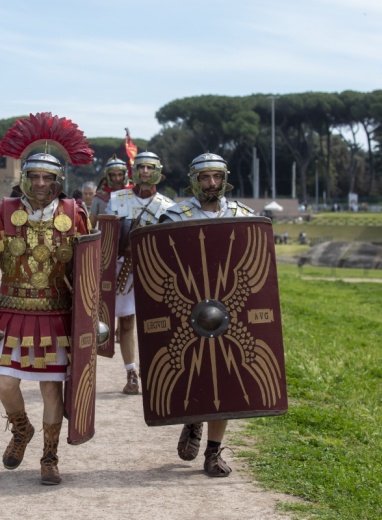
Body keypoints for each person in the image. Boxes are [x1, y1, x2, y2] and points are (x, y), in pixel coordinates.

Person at [0, 112, 94, 486]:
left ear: (58, 180)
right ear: (24, 176)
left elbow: (88, 270)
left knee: (51, 388)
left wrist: (93, 317)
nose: (41, 184)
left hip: (56, 313)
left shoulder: (76, 214)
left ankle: (50, 457)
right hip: (11, 312)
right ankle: (22, 430)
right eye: (34, 176)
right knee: (6, 383)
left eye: (48, 177)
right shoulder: (2, 214)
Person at [159, 152, 255, 478]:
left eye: (216, 177)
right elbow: (160, 265)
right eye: (205, 177)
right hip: (187, 306)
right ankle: (193, 416)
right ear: (194, 179)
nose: (211, 184)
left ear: (224, 178)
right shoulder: (175, 216)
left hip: (229, 309)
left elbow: (254, 263)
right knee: (192, 370)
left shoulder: (243, 215)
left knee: (226, 379)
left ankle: (213, 453)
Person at [104, 151, 174, 394]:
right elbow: (105, 238)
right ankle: (131, 372)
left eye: (150, 167)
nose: (145, 171)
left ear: (158, 171)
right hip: (124, 269)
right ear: (134, 170)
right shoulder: (117, 199)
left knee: (156, 322)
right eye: (141, 166)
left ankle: (151, 368)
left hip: (154, 272)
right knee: (126, 322)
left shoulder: (168, 207)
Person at [89, 155, 133, 228]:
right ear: (108, 176)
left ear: (124, 175)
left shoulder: (133, 195)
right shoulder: (100, 198)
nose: (117, 178)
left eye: (120, 175)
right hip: (106, 238)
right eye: (113, 175)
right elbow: (90, 227)